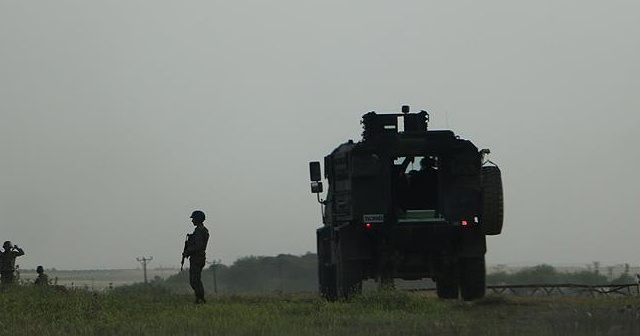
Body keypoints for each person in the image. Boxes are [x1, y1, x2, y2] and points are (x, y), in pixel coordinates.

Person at [182, 210, 210, 303]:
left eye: (193, 218)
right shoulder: (201, 230)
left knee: (195, 280)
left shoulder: (199, 231)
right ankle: (199, 298)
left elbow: (199, 246)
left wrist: (188, 251)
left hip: (197, 258)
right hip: (199, 257)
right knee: (195, 279)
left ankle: (200, 298)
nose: (192, 220)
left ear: (198, 219)